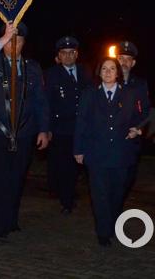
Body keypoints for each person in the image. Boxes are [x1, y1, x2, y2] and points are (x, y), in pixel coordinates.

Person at [0, 22, 50, 241]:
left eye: (19, 40)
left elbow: (41, 102)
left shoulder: (33, 68)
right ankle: (0, 225)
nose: (14, 45)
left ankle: (11, 218)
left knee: (17, 178)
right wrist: (3, 38)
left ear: (25, 44)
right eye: (10, 40)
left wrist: (44, 129)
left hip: (25, 132)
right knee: (0, 178)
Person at [73, 57, 148, 246]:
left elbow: (138, 119)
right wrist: (79, 149)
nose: (108, 72)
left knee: (117, 193)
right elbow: (81, 123)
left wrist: (137, 130)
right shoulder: (90, 94)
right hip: (96, 153)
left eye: (112, 68)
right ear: (99, 72)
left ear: (118, 73)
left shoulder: (129, 95)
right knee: (100, 194)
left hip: (121, 154)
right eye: (104, 68)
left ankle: (112, 222)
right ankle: (103, 232)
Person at [45, 35, 91, 215]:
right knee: (65, 165)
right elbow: (46, 103)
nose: (68, 56)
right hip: (61, 128)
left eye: (71, 52)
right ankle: (66, 201)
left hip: (83, 128)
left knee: (80, 165)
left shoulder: (86, 71)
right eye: (64, 53)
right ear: (58, 56)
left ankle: (72, 194)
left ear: (77, 54)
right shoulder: (51, 74)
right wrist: (47, 128)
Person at [116, 41, 150, 196]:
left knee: (128, 177)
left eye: (127, 59)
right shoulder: (108, 81)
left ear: (133, 63)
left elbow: (145, 112)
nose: (124, 62)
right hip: (112, 138)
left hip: (131, 138)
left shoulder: (140, 84)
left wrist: (139, 129)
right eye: (121, 58)